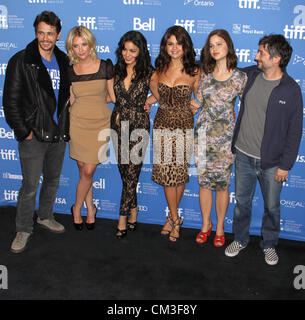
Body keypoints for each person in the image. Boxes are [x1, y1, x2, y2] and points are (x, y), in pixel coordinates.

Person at [225, 34, 303, 265]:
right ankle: (240, 239)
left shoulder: (290, 90)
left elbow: (295, 131)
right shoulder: (249, 75)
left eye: (261, 53)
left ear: (276, 58)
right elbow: (223, 71)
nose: (256, 56)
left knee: (272, 207)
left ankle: (269, 244)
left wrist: (285, 166)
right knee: (242, 204)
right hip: (243, 155)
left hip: (272, 163)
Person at [3, 11, 70, 253]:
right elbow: (10, 102)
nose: (45, 38)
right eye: (41, 32)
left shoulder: (63, 61)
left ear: (58, 34)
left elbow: (65, 96)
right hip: (33, 135)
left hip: (57, 133)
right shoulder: (21, 60)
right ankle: (23, 228)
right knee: (30, 185)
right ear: (35, 32)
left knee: (52, 180)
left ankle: (45, 216)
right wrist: (24, 132)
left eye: (50, 33)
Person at [190, 29, 247, 247]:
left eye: (219, 44)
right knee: (204, 183)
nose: (214, 49)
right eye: (211, 45)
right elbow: (198, 103)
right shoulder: (204, 75)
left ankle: (221, 227)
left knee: (222, 185)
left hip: (225, 139)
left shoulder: (240, 77)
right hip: (203, 136)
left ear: (228, 47)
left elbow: (247, 108)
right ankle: (206, 225)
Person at [149, 26, 200, 242]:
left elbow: (203, 96)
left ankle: (173, 218)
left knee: (177, 175)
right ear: (165, 47)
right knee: (168, 176)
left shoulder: (195, 71)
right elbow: (156, 94)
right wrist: (151, 99)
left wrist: (197, 104)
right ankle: (175, 217)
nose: (174, 48)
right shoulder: (159, 69)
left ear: (185, 46)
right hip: (162, 124)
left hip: (183, 126)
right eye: (170, 44)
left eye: (178, 43)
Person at [66, 26, 115, 230]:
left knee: (88, 170)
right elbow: (73, 98)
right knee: (82, 170)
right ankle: (89, 208)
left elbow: (113, 97)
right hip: (77, 122)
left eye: (83, 44)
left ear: (90, 44)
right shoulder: (70, 70)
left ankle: (76, 208)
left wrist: (95, 100)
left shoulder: (105, 66)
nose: (80, 49)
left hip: (100, 123)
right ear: (71, 48)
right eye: (75, 46)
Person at [110, 31, 154, 239]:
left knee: (131, 174)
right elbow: (112, 96)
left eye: (132, 51)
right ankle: (134, 212)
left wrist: (149, 102)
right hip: (118, 127)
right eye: (125, 49)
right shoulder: (116, 70)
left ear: (141, 52)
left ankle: (122, 219)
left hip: (138, 127)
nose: (127, 54)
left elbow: (160, 93)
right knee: (124, 173)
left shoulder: (148, 73)